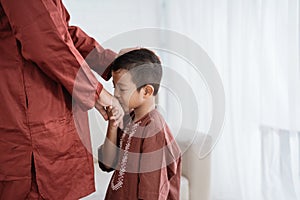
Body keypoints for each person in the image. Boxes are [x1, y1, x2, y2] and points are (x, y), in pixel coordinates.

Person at [0, 0, 124, 199]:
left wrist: (113, 63)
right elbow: (46, 42)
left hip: (43, 118)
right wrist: (97, 93)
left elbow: (61, 32)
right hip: (30, 124)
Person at [98, 48, 182, 200]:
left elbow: (153, 192)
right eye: (114, 87)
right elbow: (107, 163)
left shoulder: (153, 130)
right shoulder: (127, 118)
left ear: (146, 92)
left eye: (122, 89)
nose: (115, 94)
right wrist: (113, 124)